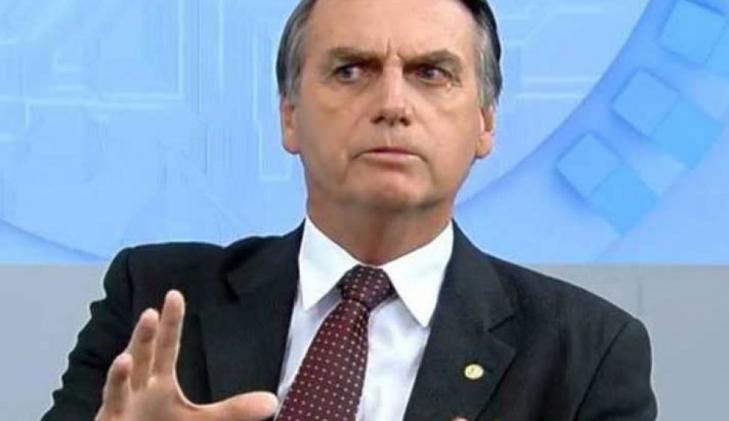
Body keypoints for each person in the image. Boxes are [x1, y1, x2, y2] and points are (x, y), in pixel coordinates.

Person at [43, 0, 658, 420]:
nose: (393, 104)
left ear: (484, 123)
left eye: (430, 73)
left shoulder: (586, 352)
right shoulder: (156, 298)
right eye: (351, 70)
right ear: (289, 115)